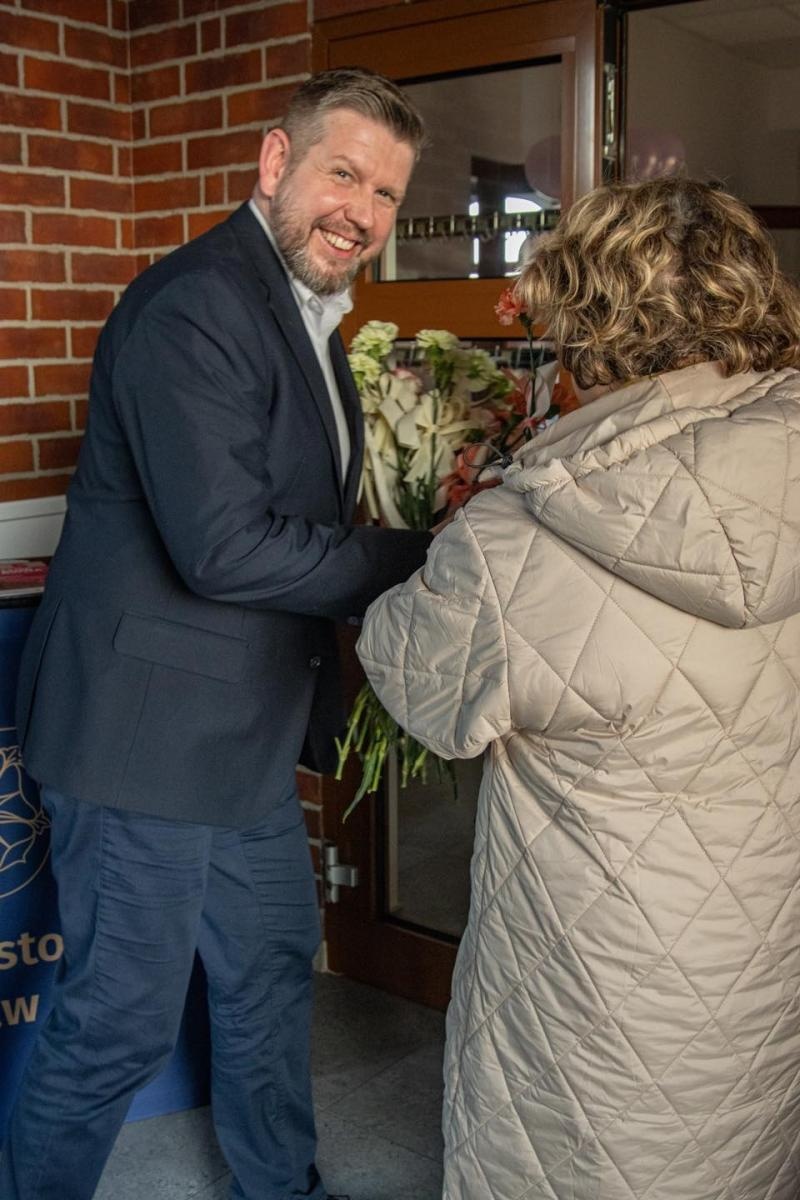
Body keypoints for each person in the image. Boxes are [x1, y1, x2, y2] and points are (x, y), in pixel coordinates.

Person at [1, 68, 431, 1200]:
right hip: (144, 744)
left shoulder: (312, 318)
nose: (362, 212)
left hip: (238, 740)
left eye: (386, 193)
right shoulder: (196, 302)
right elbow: (225, 550)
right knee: (115, 1025)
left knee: (268, 977)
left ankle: (277, 1186)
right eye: (344, 173)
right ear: (275, 163)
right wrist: (419, 554)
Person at [357, 178, 800, 1199]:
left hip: (597, 983)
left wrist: (442, 544)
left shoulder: (522, 535)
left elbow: (407, 675)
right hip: (759, 949)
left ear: (583, 320)